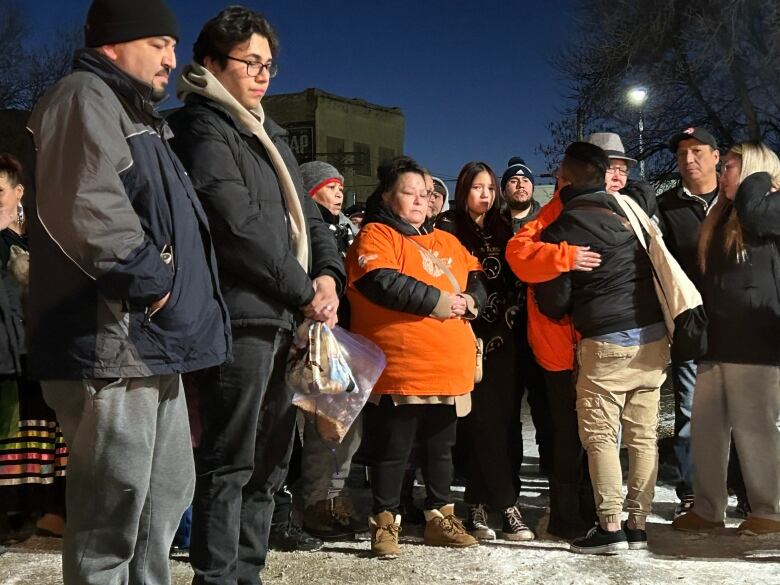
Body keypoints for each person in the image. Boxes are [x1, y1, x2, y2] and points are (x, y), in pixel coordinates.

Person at [26, 1, 232, 582]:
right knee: (113, 509)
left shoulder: (132, 112)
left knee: (162, 495)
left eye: (173, 44)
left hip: (146, 343)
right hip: (108, 339)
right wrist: (151, 282)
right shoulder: (82, 96)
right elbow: (87, 207)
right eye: (158, 43)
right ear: (113, 43)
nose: (172, 57)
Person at [168, 7, 345, 583]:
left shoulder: (268, 131)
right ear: (213, 63)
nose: (264, 74)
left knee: (270, 464)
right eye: (251, 62)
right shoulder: (203, 126)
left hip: (286, 317)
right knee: (229, 461)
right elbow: (233, 222)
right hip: (240, 315)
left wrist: (327, 277)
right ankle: (217, 577)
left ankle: (248, 572)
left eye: (269, 64)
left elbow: (312, 220)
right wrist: (304, 291)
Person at [346, 156, 485, 559]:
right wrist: (447, 302)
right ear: (388, 197)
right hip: (400, 370)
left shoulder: (446, 240)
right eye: (410, 193)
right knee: (393, 450)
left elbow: (476, 278)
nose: (421, 201)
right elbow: (382, 282)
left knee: (441, 450)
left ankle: (439, 518)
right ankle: (385, 521)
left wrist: (470, 301)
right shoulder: (376, 235)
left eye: (426, 194)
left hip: (448, 370)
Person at [535, 142, 669, 554]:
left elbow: (553, 302)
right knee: (643, 436)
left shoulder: (565, 226)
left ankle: (610, 528)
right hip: (653, 337)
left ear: (568, 178)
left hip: (607, 341)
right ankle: (638, 525)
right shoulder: (630, 211)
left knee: (601, 437)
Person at [673, 142, 780, 535]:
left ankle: (769, 511)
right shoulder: (722, 215)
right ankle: (707, 508)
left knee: (756, 429)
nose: (723, 174)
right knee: (706, 429)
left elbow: (758, 215)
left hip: (756, 342)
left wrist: (757, 179)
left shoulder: (768, 206)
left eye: (731, 166)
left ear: (754, 170)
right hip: (714, 342)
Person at [436, 161, 534, 541]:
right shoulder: (446, 227)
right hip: (459, 335)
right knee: (477, 423)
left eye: (490, 189)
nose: (485, 195)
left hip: (503, 338)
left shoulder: (503, 228)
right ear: (463, 190)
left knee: (502, 422)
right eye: (477, 188)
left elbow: (515, 283)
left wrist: (508, 319)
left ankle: (481, 501)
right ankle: (503, 505)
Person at [505, 185, 600, 540]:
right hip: (558, 344)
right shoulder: (552, 211)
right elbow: (518, 253)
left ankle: (592, 507)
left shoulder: (616, 208)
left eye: (623, 169)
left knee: (595, 432)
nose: (617, 176)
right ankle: (565, 512)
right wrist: (567, 256)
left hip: (597, 340)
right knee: (567, 432)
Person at [0, 154, 67, 541]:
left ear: (19, 192)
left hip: (43, 347)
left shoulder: (38, 232)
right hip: (13, 352)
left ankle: (50, 509)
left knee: (47, 433)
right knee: (17, 433)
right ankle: (16, 515)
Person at [296, 160, 362, 539]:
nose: (339, 192)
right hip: (311, 342)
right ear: (309, 190)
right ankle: (312, 504)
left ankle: (332, 498)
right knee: (318, 428)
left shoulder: (346, 232)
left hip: (342, 344)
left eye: (341, 186)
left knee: (341, 427)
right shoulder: (305, 229)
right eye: (331, 185)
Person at [656, 127, 720, 516]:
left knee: (747, 413)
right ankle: (692, 492)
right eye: (681, 154)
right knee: (691, 413)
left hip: (742, 328)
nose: (689, 159)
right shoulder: (667, 207)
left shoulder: (736, 203)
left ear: (716, 156)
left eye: (697, 151)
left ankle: (747, 491)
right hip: (691, 328)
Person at [500, 157, 554, 477]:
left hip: (542, 324)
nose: (520, 184)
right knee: (507, 409)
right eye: (513, 180)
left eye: (525, 180)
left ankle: (552, 471)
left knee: (545, 406)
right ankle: (509, 475)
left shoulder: (547, 222)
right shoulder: (494, 225)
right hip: (505, 328)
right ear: (504, 188)